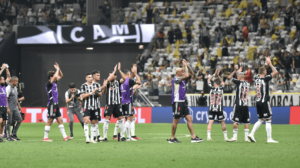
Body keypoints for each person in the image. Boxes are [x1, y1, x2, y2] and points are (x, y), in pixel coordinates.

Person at [168, 59, 203, 143]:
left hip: (183, 101)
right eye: (182, 71)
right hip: (177, 102)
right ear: (178, 73)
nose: (184, 72)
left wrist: (187, 65)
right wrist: (185, 66)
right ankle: (172, 138)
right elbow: (187, 75)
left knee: (189, 118)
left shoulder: (182, 79)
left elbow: (191, 73)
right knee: (176, 120)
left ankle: (193, 137)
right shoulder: (176, 79)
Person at [248, 56, 278, 143]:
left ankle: (251, 134)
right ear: (264, 72)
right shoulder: (266, 79)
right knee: (268, 119)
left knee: (261, 119)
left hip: (258, 102)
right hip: (265, 101)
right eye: (266, 71)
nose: (266, 71)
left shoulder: (256, 78)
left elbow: (261, 70)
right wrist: (270, 64)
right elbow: (275, 71)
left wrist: (266, 63)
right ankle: (269, 139)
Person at [43, 63, 71, 142]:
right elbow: (56, 76)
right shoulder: (48, 83)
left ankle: (65, 136)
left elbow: (61, 75)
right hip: (51, 104)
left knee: (60, 120)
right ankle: (45, 137)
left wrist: (58, 68)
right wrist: (57, 70)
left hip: (56, 104)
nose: (56, 75)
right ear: (51, 77)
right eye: (54, 74)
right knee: (50, 120)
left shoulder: (55, 82)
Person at [227, 65, 251, 142]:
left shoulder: (238, 82)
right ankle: (246, 138)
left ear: (239, 77)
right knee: (246, 122)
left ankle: (234, 137)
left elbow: (229, 77)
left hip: (238, 104)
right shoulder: (248, 83)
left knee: (235, 121)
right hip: (245, 105)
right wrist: (239, 72)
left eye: (237, 76)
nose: (236, 77)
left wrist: (235, 70)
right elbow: (241, 76)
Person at [81, 73, 107, 143]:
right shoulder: (83, 86)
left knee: (93, 123)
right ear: (86, 78)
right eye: (89, 77)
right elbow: (82, 96)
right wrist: (91, 93)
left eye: (91, 77)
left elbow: (100, 94)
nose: (91, 78)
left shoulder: (96, 85)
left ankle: (92, 139)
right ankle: (87, 138)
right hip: (87, 106)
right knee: (86, 122)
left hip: (95, 107)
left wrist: (96, 93)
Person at [103, 65, 126, 142]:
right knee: (107, 119)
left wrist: (119, 70)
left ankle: (122, 136)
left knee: (120, 119)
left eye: (112, 75)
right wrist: (114, 71)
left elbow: (125, 79)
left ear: (115, 76)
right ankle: (105, 137)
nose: (111, 76)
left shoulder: (118, 82)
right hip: (109, 103)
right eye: (110, 75)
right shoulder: (108, 82)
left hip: (117, 104)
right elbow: (107, 81)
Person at [118, 63, 141, 141]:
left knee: (128, 119)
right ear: (127, 74)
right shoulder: (128, 81)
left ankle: (128, 137)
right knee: (130, 119)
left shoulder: (121, 83)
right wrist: (135, 73)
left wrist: (119, 70)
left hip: (123, 102)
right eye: (129, 74)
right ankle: (121, 135)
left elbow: (128, 81)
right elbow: (139, 81)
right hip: (128, 102)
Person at [206, 69, 228, 141]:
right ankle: (225, 137)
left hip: (212, 108)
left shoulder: (211, 88)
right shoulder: (221, 89)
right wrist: (218, 76)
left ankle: (209, 137)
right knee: (222, 122)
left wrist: (214, 74)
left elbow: (208, 80)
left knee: (210, 122)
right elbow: (223, 83)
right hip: (219, 108)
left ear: (214, 83)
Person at [92, 70, 106, 141]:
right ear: (93, 76)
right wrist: (103, 86)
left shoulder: (98, 84)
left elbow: (101, 93)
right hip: (92, 106)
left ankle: (98, 136)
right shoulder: (91, 84)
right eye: (97, 75)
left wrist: (104, 86)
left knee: (97, 120)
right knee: (94, 121)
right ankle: (94, 137)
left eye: (99, 75)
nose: (99, 76)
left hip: (97, 105)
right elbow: (99, 94)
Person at [0, 64, 11, 142]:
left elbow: (9, 78)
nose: (4, 80)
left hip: (4, 107)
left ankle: (0, 136)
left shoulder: (4, 86)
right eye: (2, 79)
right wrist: (2, 69)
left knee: (3, 122)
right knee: (0, 121)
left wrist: (7, 69)